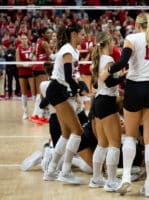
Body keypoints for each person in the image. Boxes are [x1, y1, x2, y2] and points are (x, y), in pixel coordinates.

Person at [100, 12, 149, 197]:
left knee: (130, 136)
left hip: (134, 88)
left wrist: (108, 70)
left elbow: (122, 62)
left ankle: (127, 178)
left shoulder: (132, 38)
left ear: (137, 25)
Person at [43, 23, 86, 184]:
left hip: (59, 90)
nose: (84, 37)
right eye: (82, 34)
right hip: (56, 90)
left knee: (67, 133)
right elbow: (68, 78)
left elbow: (72, 76)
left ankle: (51, 171)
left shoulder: (73, 50)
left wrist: (78, 86)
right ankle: (65, 171)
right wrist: (78, 90)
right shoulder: (68, 50)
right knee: (77, 130)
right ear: (74, 34)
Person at [89, 31, 126, 191]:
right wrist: (124, 77)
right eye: (112, 42)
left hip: (98, 102)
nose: (114, 45)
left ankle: (96, 178)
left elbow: (99, 84)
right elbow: (110, 82)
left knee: (102, 143)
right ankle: (111, 181)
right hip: (107, 102)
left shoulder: (99, 59)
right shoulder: (109, 59)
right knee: (115, 144)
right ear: (106, 43)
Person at [30, 27, 55, 123]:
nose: (50, 35)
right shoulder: (44, 43)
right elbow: (52, 56)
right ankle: (39, 115)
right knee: (43, 93)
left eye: (51, 33)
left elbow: (32, 54)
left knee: (40, 93)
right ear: (43, 34)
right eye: (48, 33)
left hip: (37, 67)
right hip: (42, 68)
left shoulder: (38, 41)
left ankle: (36, 114)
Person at [16, 33, 36, 119]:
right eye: (22, 39)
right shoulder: (18, 49)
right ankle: (25, 112)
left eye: (25, 38)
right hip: (22, 72)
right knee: (23, 92)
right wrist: (27, 65)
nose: (24, 40)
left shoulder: (32, 48)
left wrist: (30, 64)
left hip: (31, 73)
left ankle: (35, 112)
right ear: (20, 40)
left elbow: (34, 60)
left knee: (33, 92)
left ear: (27, 39)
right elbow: (17, 64)